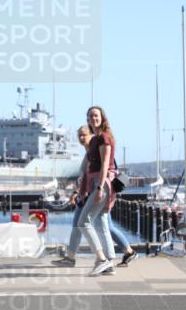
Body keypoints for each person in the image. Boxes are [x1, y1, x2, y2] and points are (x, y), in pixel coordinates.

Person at [57, 125, 137, 267]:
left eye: (84, 135)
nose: (82, 138)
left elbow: (93, 173)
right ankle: (125, 252)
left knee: (86, 224)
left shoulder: (94, 152)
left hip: (96, 192)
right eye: (79, 136)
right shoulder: (89, 152)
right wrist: (77, 192)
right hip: (88, 193)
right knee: (101, 226)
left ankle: (105, 259)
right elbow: (85, 176)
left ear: (91, 136)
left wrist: (85, 191)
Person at [51, 107, 118, 276]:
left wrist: (100, 187)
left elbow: (104, 165)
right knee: (100, 225)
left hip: (100, 185)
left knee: (83, 223)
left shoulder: (104, 138)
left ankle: (102, 260)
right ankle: (108, 264)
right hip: (95, 184)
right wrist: (83, 190)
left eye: (96, 115)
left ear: (102, 117)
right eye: (90, 116)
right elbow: (89, 169)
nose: (93, 118)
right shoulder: (95, 139)